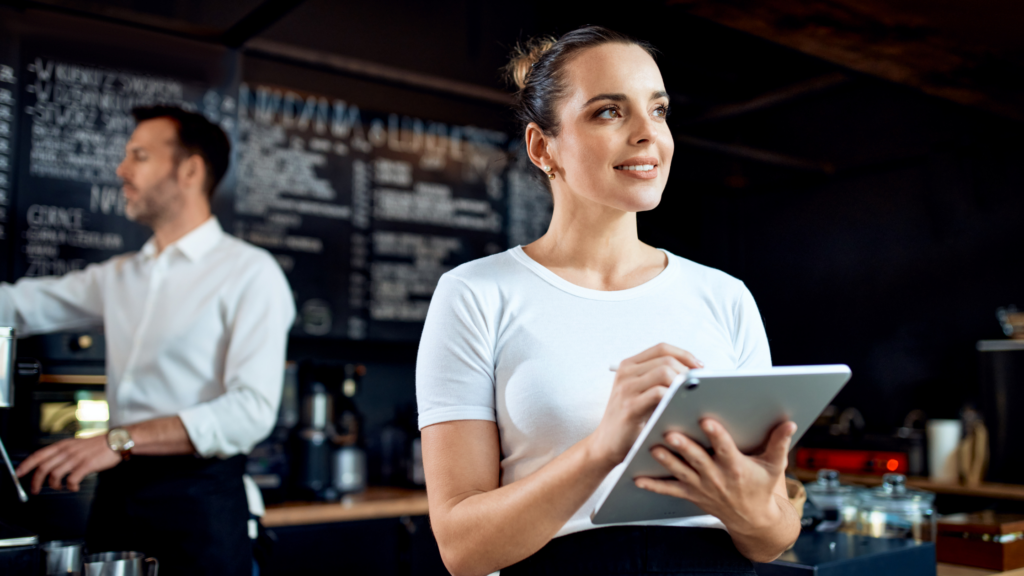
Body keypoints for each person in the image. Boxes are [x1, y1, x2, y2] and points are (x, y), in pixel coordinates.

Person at [416, 26, 801, 576]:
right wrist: (603, 448)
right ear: (542, 147)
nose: (649, 135)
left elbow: (774, 537)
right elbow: (461, 548)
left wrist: (751, 510)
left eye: (660, 111)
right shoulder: (475, 294)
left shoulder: (724, 296)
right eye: (608, 112)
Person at [3, 105, 295, 576]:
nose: (121, 170)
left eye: (139, 155)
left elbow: (251, 411)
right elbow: (18, 305)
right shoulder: (120, 276)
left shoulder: (250, 273)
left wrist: (118, 440)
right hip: (117, 502)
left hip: (200, 507)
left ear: (190, 170)